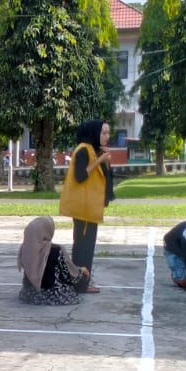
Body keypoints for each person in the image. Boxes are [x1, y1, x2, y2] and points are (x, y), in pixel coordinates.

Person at [59, 120, 114, 293]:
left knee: (87, 247)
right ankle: (79, 284)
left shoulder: (94, 151)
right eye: (103, 132)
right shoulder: (83, 149)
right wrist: (100, 160)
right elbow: (80, 176)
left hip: (90, 209)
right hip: (83, 210)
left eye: (108, 133)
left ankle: (83, 282)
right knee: (82, 247)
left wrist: (104, 161)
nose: (107, 136)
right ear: (94, 132)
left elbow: (105, 178)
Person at [18, 216, 85, 305]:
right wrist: (81, 271)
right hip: (54, 296)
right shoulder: (56, 250)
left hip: (29, 295)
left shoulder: (25, 248)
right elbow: (70, 275)